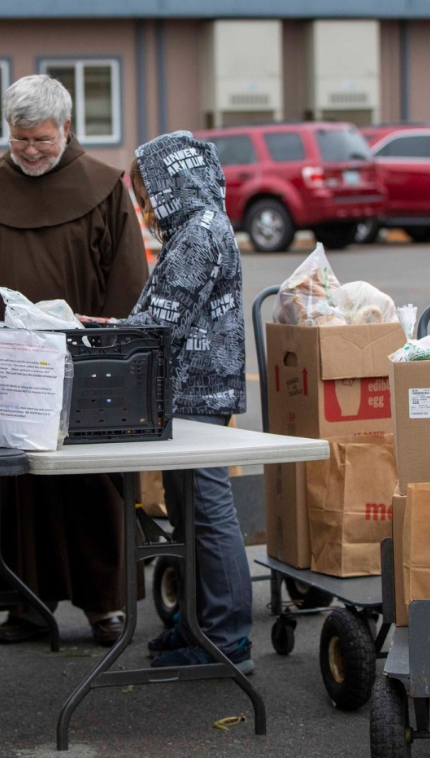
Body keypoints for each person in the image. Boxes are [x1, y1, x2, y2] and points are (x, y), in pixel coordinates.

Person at [0, 75, 149, 647]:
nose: (31, 150)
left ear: (67, 128)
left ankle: (104, 604)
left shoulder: (104, 187)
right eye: (20, 139)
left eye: (42, 139)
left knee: (93, 486)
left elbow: (126, 279)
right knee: (16, 488)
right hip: (6, 366)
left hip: (84, 366)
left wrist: (114, 356)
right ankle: (24, 605)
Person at [124, 131, 253, 674]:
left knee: (206, 510)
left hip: (196, 391)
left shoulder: (199, 234)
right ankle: (200, 624)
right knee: (188, 512)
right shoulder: (195, 229)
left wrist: (107, 334)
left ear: (169, 184)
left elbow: (162, 318)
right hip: (189, 389)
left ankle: (225, 639)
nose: (145, 209)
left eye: (146, 194)